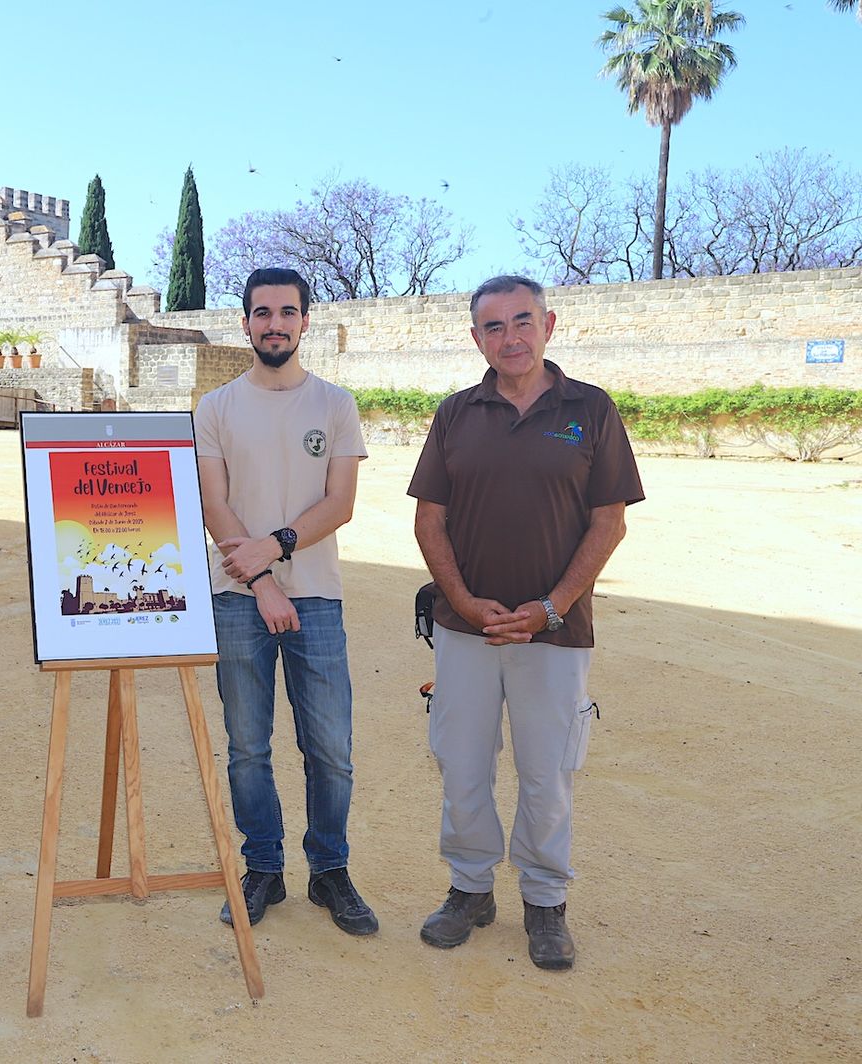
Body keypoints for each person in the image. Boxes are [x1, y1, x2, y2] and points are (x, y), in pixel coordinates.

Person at [408, 275, 644, 971]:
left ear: (549, 325)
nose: (509, 337)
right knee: (462, 764)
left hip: (556, 631)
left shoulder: (591, 410)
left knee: (548, 772)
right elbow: (430, 520)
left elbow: (609, 522)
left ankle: (545, 903)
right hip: (464, 629)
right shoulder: (455, 414)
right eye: (493, 327)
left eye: (522, 322)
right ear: (475, 337)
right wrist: (465, 600)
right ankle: (469, 889)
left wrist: (552, 606)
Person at [193, 267, 378, 935]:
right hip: (238, 601)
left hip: (318, 598)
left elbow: (340, 504)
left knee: (331, 748)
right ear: (243, 323)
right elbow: (215, 504)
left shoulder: (335, 404)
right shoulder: (214, 409)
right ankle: (263, 867)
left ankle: (330, 871)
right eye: (262, 312)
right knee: (247, 747)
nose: (275, 323)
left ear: (306, 321)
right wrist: (262, 583)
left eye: (287, 312)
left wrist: (273, 550)